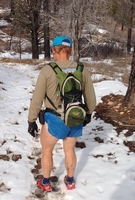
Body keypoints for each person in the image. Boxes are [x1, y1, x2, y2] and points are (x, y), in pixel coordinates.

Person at [28, 35, 96, 191]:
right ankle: (70, 180)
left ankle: (45, 183)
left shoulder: (47, 70)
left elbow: (37, 99)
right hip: (75, 117)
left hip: (55, 119)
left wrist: (31, 120)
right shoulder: (81, 69)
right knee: (70, 149)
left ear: (54, 51)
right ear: (70, 51)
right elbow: (91, 98)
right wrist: (88, 114)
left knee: (47, 150)